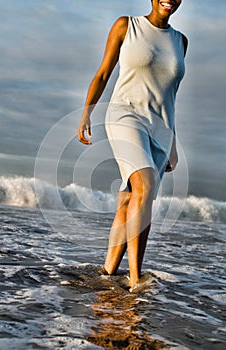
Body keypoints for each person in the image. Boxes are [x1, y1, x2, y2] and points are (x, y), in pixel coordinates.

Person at [78, 0, 188, 290]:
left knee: (130, 197)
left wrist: (173, 143)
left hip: (161, 129)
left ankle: (108, 271)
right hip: (125, 116)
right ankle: (136, 278)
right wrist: (86, 113)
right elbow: (103, 73)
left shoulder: (181, 41)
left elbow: (170, 96)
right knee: (145, 186)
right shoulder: (127, 26)